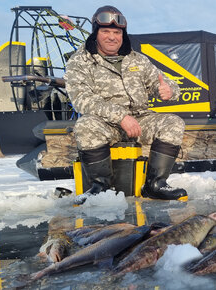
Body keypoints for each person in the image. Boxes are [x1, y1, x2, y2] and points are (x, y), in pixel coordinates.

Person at [64, 6, 187, 204]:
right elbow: (81, 99)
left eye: (117, 32)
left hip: (139, 120)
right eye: (106, 31)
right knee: (85, 126)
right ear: (96, 33)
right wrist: (120, 117)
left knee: (173, 122)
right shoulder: (79, 61)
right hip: (105, 123)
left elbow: (162, 81)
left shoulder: (136, 59)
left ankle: (155, 185)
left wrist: (169, 90)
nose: (112, 37)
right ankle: (100, 188)